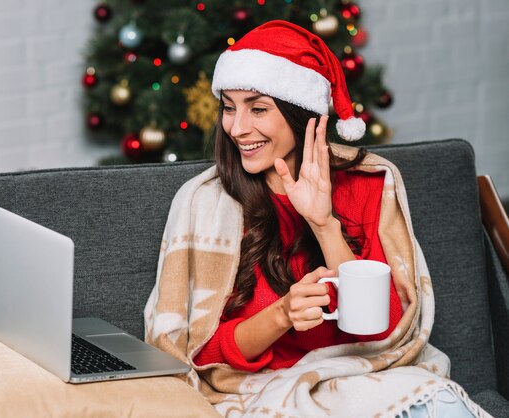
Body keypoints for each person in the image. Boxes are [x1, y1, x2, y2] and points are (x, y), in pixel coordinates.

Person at [145, 20, 487, 418]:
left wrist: (324, 225)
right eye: (229, 107)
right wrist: (282, 315)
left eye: (257, 108)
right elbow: (200, 353)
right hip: (265, 390)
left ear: (300, 113)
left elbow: (386, 331)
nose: (237, 128)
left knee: (441, 405)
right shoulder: (204, 203)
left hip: (364, 378)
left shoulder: (370, 183)